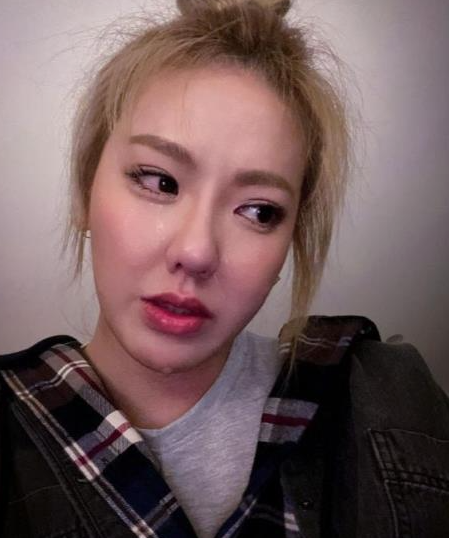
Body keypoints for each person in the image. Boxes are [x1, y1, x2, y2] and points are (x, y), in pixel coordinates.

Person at [1, 1, 448, 537]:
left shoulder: (387, 399)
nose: (196, 252)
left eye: (259, 211)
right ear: (84, 195)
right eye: (159, 181)